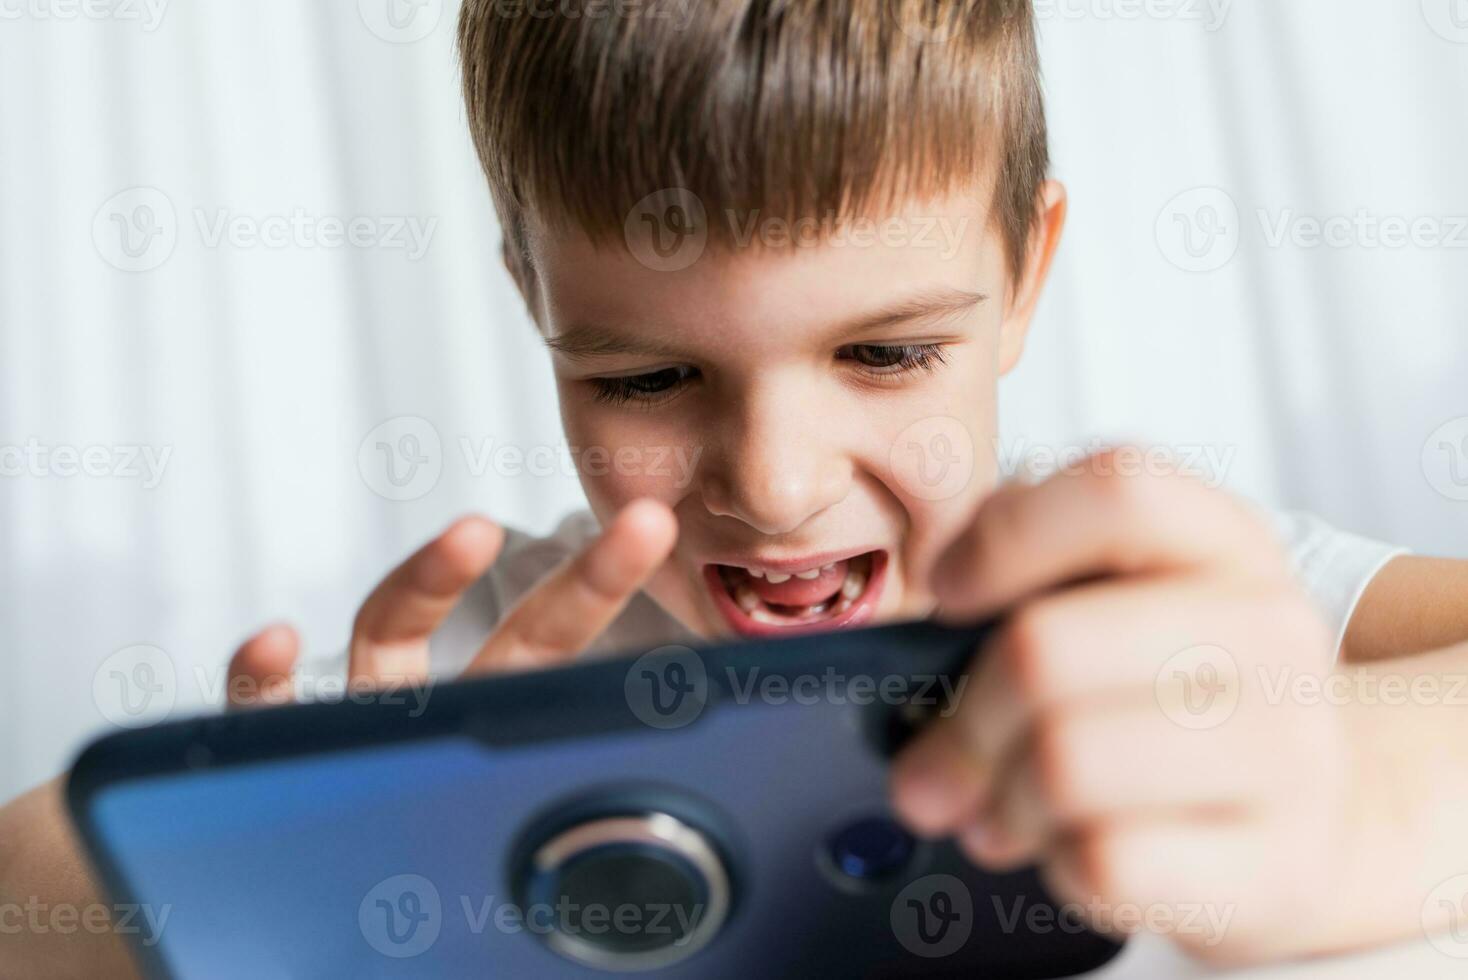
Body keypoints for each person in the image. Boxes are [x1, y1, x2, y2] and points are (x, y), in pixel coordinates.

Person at [6, 1, 1468, 974]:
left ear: (1026, 272)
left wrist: (1364, 802)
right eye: (644, 380)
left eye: (887, 353)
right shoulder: (457, 693)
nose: (773, 490)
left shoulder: (1138, 609)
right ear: (533, 304)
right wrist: (285, 874)